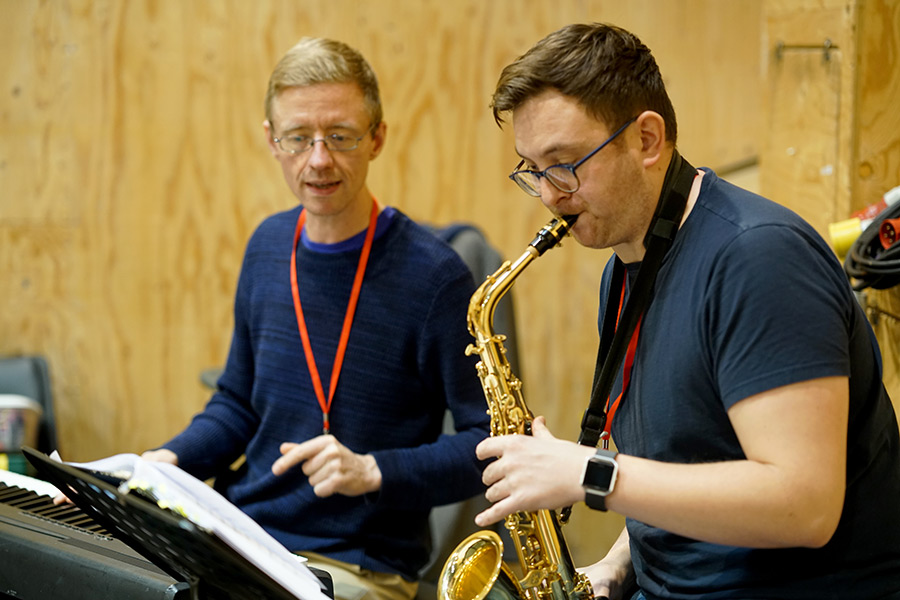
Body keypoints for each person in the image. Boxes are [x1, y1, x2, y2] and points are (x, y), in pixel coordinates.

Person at [473, 22, 900, 600]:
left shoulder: (758, 259)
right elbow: (685, 466)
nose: (550, 194)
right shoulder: (626, 267)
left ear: (647, 140)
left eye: (566, 162)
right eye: (533, 170)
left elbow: (804, 505)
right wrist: (615, 567)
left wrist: (589, 474)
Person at [143, 37, 490, 600]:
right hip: (243, 537)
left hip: (355, 566)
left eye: (341, 136)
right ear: (272, 142)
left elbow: (492, 442)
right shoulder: (267, 246)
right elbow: (237, 402)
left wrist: (373, 470)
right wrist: (168, 460)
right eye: (299, 138)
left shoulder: (436, 276)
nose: (319, 159)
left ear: (377, 138)